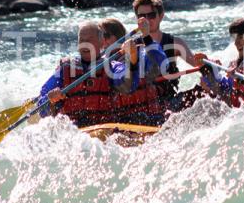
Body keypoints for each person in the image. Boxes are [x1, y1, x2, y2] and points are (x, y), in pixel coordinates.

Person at [37, 19, 168, 127]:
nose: (85, 44)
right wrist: (51, 100)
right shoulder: (65, 69)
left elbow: (127, 86)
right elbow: (41, 109)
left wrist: (133, 60)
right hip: (74, 132)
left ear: (101, 43)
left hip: (109, 127)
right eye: (81, 40)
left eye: (90, 39)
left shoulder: (111, 66)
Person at [132, 0, 201, 103]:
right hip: (143, 103)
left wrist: (208, 64)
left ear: (161, 16)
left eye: (151, 15)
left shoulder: (176, 44)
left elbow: (198, 65)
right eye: (142, 16)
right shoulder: (132, 46)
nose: (146, 20)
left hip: (170, 101)